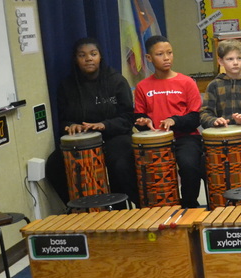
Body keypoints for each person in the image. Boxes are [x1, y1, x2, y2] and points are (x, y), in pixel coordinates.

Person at [45, 38, 138, 206]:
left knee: (119, 164)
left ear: (100, 57)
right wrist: (72, 126)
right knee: (54, 164)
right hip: (83, 139)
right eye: (82, 55)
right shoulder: (66, 86)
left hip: (114, 136)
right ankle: (76, 207)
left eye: (93, 54)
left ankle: (127, 207)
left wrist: (104, 125)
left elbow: (128, 117)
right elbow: (63, 119)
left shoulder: (116, 81)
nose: (88, 58)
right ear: (76, 59)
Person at [134, 35, 204, 207]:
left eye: (169, 53)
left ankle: (189, 205)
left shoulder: (187, 82)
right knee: (148, 171)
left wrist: (174, 121)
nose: (166, 58)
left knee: (189, 166)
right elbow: (138, 117)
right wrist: (143, 122)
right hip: (156, 140)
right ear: (149, 58)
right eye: (160, 54)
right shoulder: (142, 86)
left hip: (185, 137)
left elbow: (195, 118)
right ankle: (161, 206)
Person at [199, 39, 241, 184]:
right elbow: (204, 114)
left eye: (239, 58)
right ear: (220, 61)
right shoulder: (214, 86)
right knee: (213, 170)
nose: (235, 62)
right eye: (230, 59)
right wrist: (214, 121)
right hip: (222, 142)